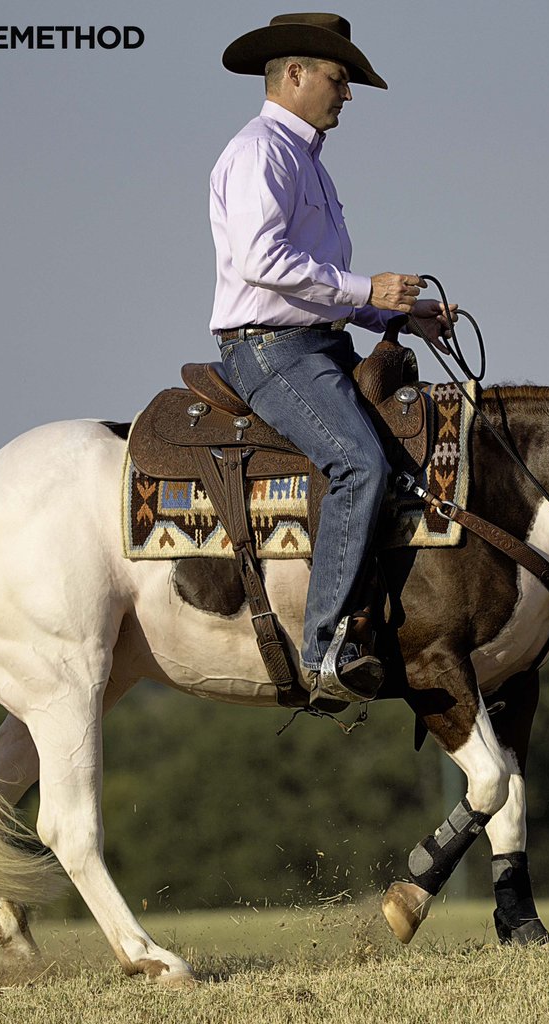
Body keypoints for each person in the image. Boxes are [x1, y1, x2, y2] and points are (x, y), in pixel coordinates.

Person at [211, 13, 452, 709]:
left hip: (314, 343)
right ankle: (323, 649)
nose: (346, 95)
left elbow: (316, 284)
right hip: (269, 349)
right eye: (339, 80)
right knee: (359, 462)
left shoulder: (305, 160)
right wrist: (367, 291)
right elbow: (264, 263)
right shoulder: (261, 152)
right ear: (295, 75)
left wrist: (394, 314)